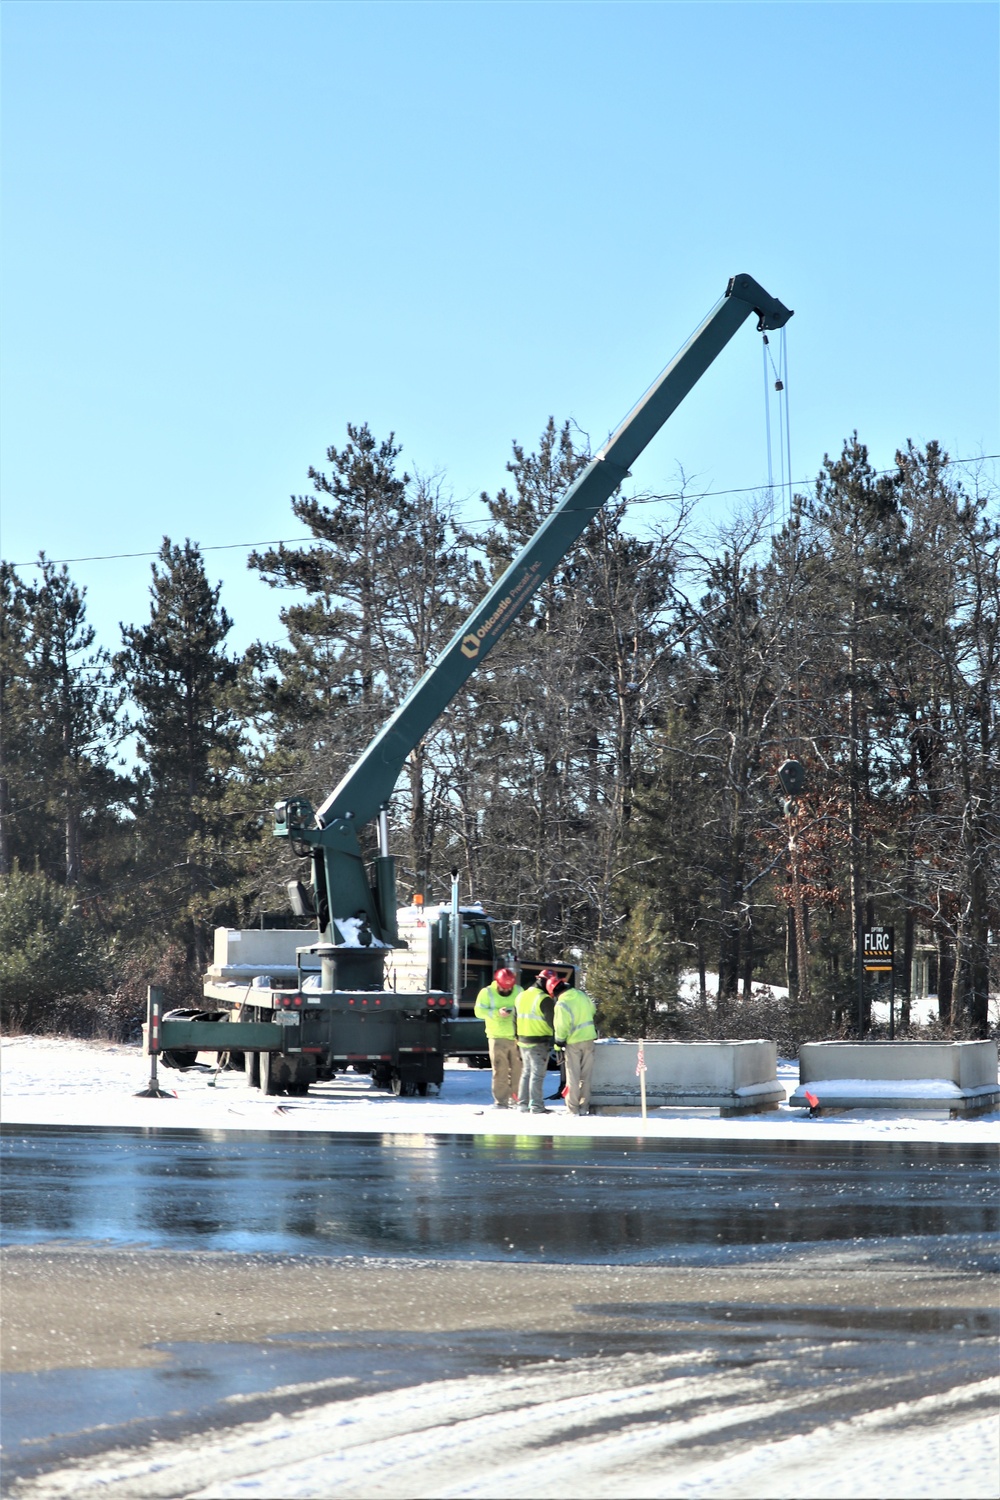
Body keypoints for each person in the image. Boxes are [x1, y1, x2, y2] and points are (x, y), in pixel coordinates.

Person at [474, 967, 523, 1109]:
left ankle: (517, 1099)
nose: (507, 991)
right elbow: (478, 1011)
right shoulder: (487, 993)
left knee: (517, 1070)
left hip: (516, 1037)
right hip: (496, 1037)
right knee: (500, 1070)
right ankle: (501, 1101)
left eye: (509, 988)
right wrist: (496, 1013)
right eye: (504, 988)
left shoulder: (519, 991)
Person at [548, 974, 597, 1115]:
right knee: (586, 1077)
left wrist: (558, 1043)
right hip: (589, 1039)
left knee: (573, 1077)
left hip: (573, 1043)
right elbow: (593, 1010)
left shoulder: (562, 1004)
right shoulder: (581, 995)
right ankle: (584, 1107)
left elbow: (561, 1026)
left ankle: (573, 1109)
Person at [515, 967, 557, 1114]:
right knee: (537, 1075)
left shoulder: (521, 995)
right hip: (538, 1041)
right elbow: (553, 1022)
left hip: (522, 1040)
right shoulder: (544, 999)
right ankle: (537, 1106)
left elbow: (515, 1018)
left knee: (526, 1073)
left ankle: (522, 1104)